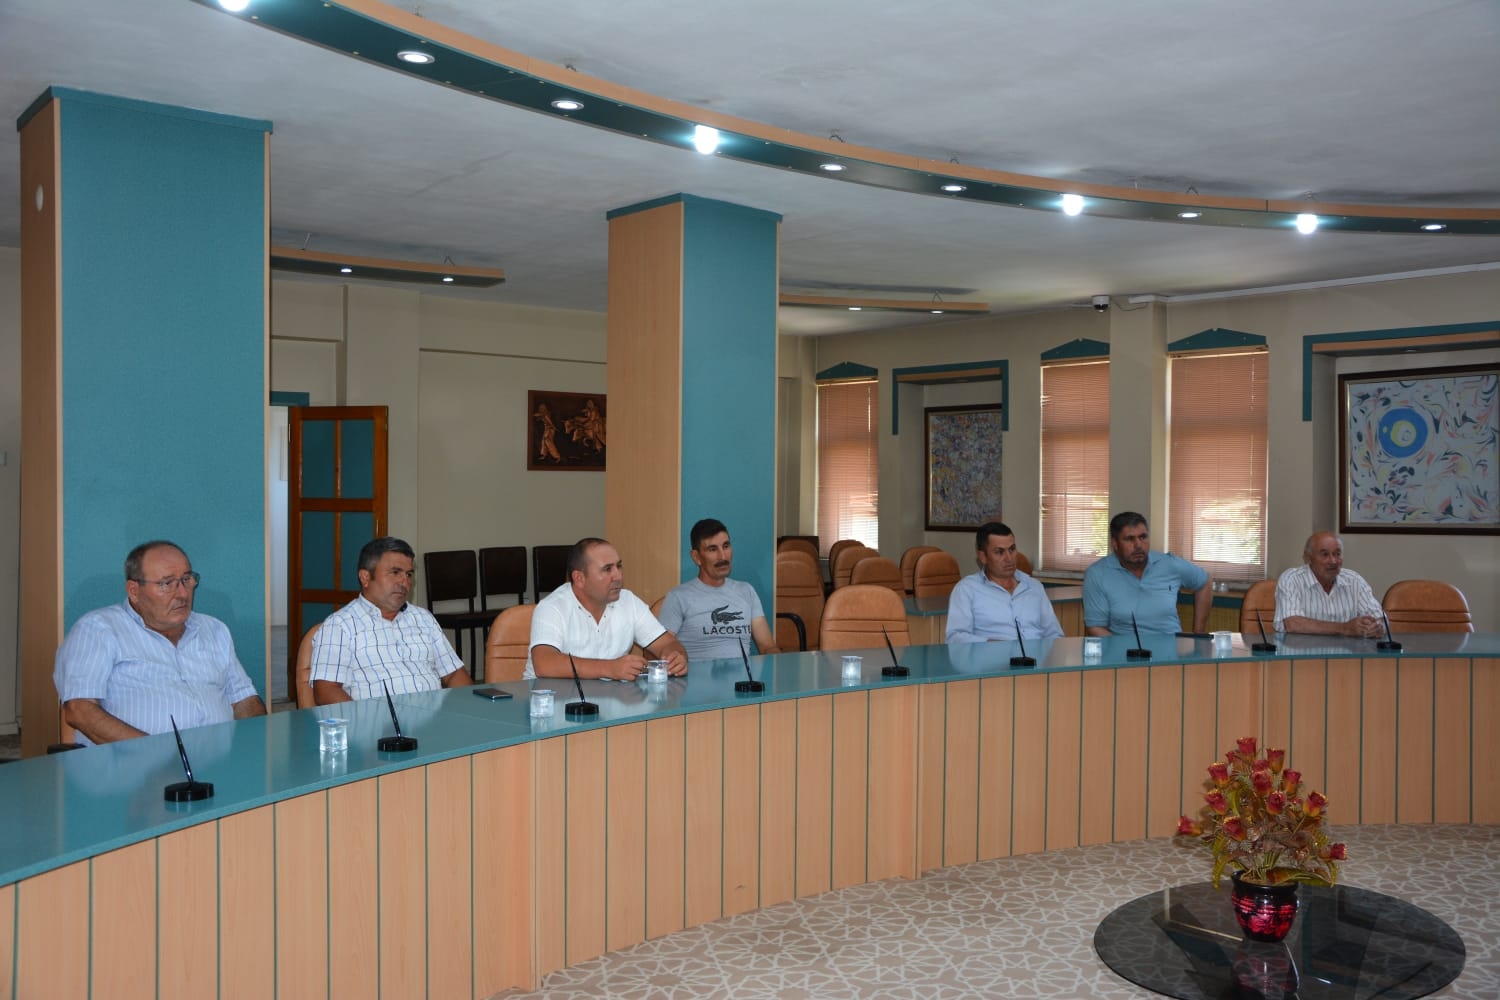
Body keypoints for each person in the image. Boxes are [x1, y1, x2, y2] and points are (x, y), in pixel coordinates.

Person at [53, 540, 266, 745]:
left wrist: (254, 747)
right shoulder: (99, 630)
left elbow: (244, 699)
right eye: (166, 583)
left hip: (221, 762)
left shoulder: (214, 629)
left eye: (186, 579)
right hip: (135, 765)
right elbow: (79, 710)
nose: (182, 593)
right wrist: (155, 753)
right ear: (134, 591)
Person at [310, 536, 473, 703]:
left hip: (434, 716)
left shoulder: (423, 618)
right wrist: (360, 719)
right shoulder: (339, 626)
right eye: (395, 572)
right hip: (377, 718)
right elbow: (326, 690)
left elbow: (454, 674)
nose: (404, 581)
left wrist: (463, 711)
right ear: (365, 577)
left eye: (409, 574)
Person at [526, 537, 688, 680]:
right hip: (552, 700)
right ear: (579, 578)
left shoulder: (628, 601)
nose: (618, 576)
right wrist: (610, 669)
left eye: (619, 566)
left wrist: (676, 656)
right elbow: (544, 664)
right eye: (607, 569)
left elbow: (666, 643)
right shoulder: (552, 607)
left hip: (609, 698)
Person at [658, 518, 780, 661]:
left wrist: (780, 664)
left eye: (726, 546)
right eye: (713, 549)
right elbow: (659, 650)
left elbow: (767, 646)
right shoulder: (678, 597)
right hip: (697, 675)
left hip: (743, 675)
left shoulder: (746, 591)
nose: (722, 556)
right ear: (696, 557)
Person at [1083, 512, 1212, 636]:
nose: (1138, 545)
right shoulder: (1098, 573)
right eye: (1130, 539)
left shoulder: (1169, 564)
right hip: (1125, 648)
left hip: (1170, 647)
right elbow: (1096, 627)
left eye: (1143, 537)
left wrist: (1198, 633)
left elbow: (1204, 582)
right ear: (1115, 544)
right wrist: (1121, 647)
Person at [946, 522, 1064, 643]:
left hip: (1037, 654)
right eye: (999, 552)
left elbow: (1054, 634)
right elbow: (955, 638)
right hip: (992, 654)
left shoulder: (1034, 587)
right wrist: (991, 645)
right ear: (982, 557)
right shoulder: (967, 590)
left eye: (1012, 549)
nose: (1009, 558)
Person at [1274, 531, 1384, 637]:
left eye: (1337, 554)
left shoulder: (1355, 581)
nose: (1333, 561)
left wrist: (1375, 627)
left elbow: (1379, 618)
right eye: (1325, 555)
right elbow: (1293, 624)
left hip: (1348, 650)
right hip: (1303, 650)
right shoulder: (1291, 579)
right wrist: (1344, 628)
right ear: (1308, 558)